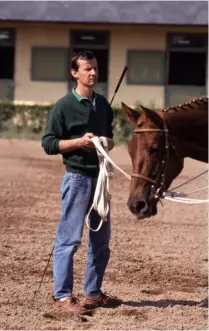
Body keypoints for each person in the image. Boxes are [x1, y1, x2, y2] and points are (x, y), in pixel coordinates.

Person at [42, 50, 121, 315]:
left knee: (101, 243)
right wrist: (79, 142)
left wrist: (106, 143)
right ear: (74, 73)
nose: (93, 73)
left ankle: (92, 295)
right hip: (76, 179)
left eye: (96, 68)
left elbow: (109, 139)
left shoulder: (103, 106)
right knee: (69, 240)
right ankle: (62, 296)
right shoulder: (63, 106)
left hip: (100, 181)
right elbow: (49, 144)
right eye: (87, 69)